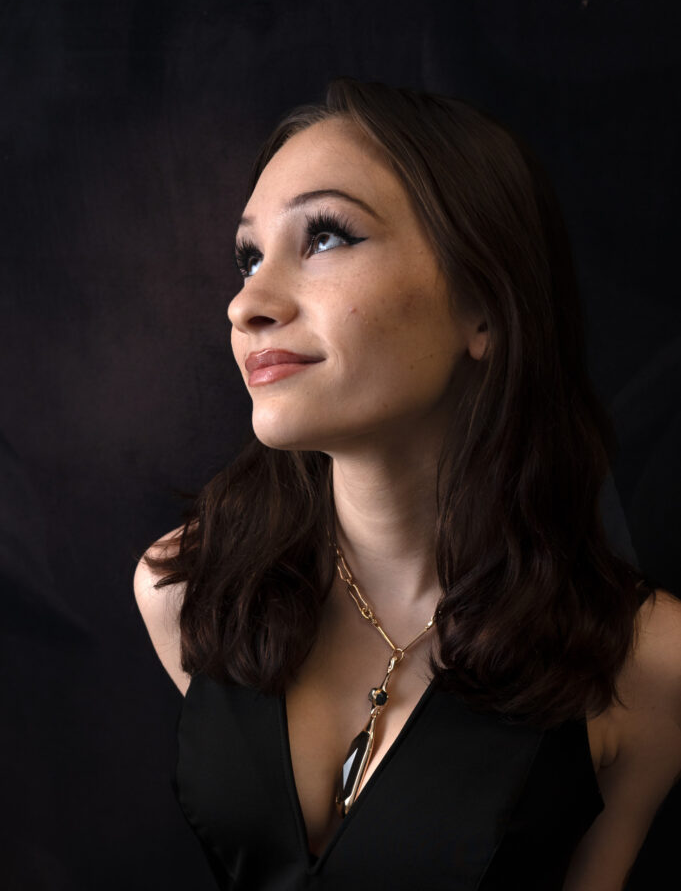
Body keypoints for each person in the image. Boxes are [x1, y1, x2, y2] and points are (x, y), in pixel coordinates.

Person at [134, 78, 681, 890]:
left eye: (324, 237)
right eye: (249, 256)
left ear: (483, 306)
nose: (247, 302)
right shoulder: (186, 588)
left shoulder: (648, 660)